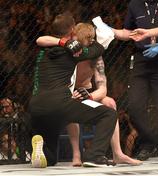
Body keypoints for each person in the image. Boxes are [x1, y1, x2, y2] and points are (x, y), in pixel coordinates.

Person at [37, 22, 142, 166]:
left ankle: (118, 153)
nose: (82, 46)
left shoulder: (95, 57)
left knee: (110, 103)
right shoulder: (68, 52)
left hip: (89, 95)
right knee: (69, 107)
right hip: (68, 96)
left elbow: (103, 88)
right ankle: (77, 154)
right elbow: (41, 40)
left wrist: (89, 96)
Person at [29, 13, 117, 168]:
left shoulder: (44, 50)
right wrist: (97, 38)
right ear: (72, 29)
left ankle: (41, 149)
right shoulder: (73, 51)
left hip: (36, 107)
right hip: (60, 104)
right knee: (108, 113)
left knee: (50, 159)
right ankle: (95, 156)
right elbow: (96, 50)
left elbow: (39, 39)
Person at [108, 0, 158, 161]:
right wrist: (111, 30)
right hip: (141, 59)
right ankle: (150, 142)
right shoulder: (135, 4)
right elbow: (128, 33)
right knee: (134, 106)